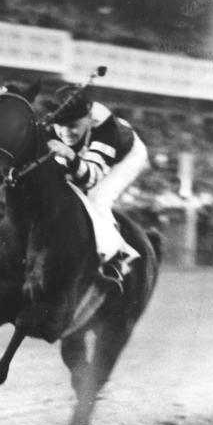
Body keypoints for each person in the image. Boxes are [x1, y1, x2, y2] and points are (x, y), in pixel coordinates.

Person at [43, 85, 150, 293]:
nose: (67, 133)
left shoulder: (105, 129)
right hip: (87, 153)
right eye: (61, 126)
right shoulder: (49, 126)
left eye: (73, 125)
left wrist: (71, 156)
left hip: (126, 157)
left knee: (96, 198)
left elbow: (90, 178)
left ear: (88, 118)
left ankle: (117, 258)